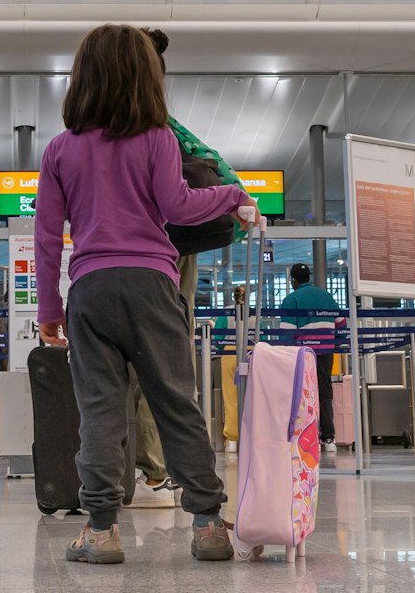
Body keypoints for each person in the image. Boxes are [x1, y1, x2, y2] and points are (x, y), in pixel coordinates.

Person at [34, 24, 250, 565]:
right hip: (154, 285)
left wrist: (48, 310)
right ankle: (207, 525)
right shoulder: (157, 139)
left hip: (90, 290)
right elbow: (179, 208)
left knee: (101, 410)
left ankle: (102, 531)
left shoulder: (61, 149)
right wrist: (233, 195)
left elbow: (45, 237)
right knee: (177, 403)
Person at [129, 27, 244, 507]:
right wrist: (235, 201)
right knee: (167, 367)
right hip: (166, 255)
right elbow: (209, 181)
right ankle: (172, 482)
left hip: (123, 257)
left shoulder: (97, 128)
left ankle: (128, 476)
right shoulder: (164, 127)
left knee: (122, 372)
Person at [277, 263, 342, 447]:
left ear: (293, 280)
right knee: (324, 391)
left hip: (302, 354)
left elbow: (287, 334)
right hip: (326, 351)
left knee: (301, 392)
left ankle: (304, 435)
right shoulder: (327, 296)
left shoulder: (292, 300)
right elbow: (341, 323)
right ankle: (328, 438)